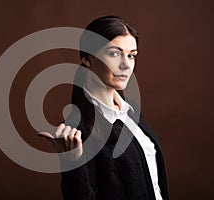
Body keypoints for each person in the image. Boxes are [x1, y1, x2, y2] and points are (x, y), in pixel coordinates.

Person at [38, 16, 169, 200]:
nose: (126, 65)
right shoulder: (78, 129)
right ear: (87, 59)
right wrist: (72, 161)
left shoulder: (130, 110)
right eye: (115, 53)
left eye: (131, 55)